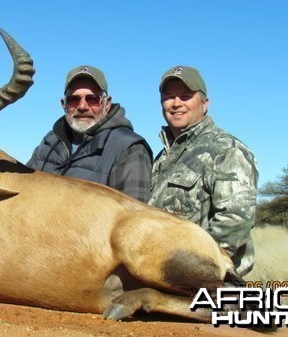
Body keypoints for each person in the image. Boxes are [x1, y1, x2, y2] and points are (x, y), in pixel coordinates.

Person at [148, 65, 258, 276]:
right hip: (157, 272)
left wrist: (179, 265)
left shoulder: (227, 150)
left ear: (204, 104)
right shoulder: (162, 158)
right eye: (169, 97)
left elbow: (234, 223)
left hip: (202, 278)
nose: (176, 103)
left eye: (186, 96)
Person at [27, 65, 152, 202]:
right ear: (64, 104)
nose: (82, 107)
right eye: (73, 100)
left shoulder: (129, 148)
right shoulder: (49, 142)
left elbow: (134, 217)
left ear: (107, 103)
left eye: (92, 99)